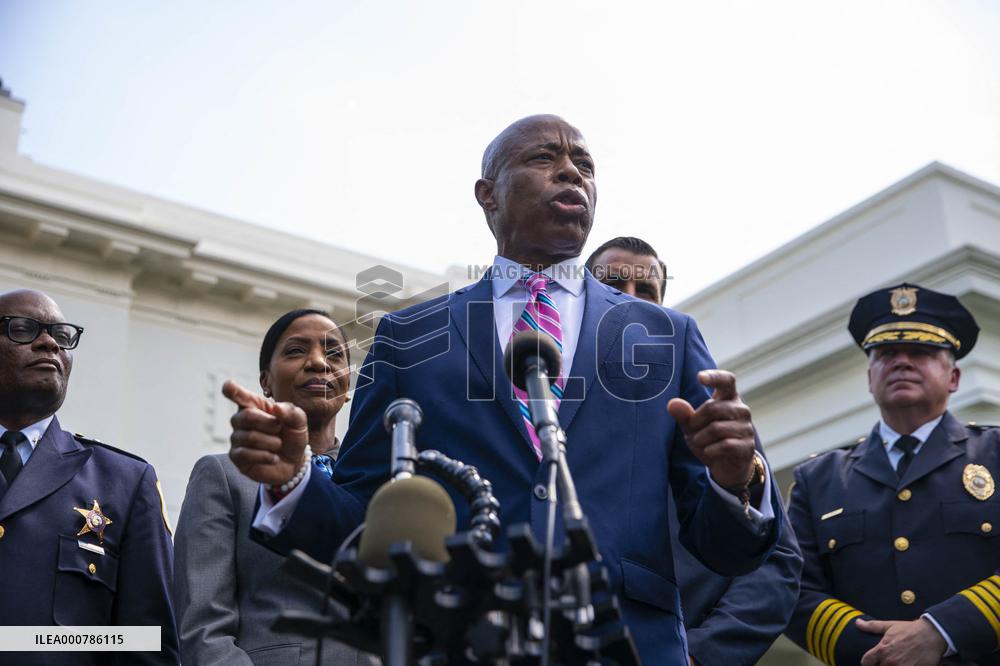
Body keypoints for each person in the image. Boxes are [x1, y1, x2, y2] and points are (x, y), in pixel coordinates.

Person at [226, 115, 787, 665]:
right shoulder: (408, 337)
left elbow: (726, 549)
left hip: (629, 644)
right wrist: (294, 482)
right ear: (487, 194)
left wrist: (738, 480)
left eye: (584, 164)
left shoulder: (666, 335)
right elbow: (362, 521)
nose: (572, 173)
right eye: (544, 158)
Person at [587, 236, 802, 666]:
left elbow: (776, 560)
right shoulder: (543, 394)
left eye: (646, 291)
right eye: (611, 285)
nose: (631, 303)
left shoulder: (705, 411)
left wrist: (696, 654)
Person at [785, 283, 1000, 665]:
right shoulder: (816, 479)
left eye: (920, 352)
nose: (901, 361)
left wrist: (941, 631)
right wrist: (882, 653)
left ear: (954, 378)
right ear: (870, 378)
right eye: (885, 354)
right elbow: (793, 588)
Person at [174, 309, 375, 665]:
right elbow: (203, 628)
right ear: (266, 381)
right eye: (296, 351)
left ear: (348, 387)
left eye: (334, 354)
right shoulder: (224, 476)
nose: (317, 362)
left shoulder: (381, 483)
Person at [0, 289, 178, 665]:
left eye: (62, 336)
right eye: (23, 329)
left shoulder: (125, 482)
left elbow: (143, 644)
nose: (49, 342)